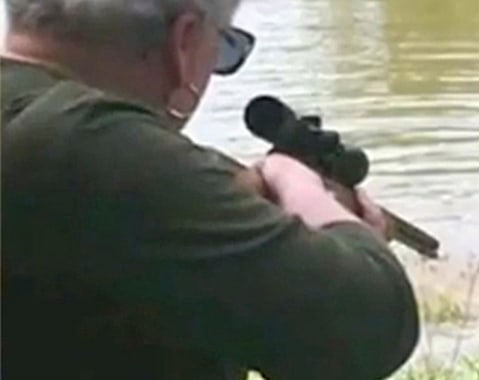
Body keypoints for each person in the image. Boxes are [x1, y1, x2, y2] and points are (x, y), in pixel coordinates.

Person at [1, 1, 420, 379]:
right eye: (223, 47)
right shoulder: (88, 144)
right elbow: (371, 325)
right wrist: (303, 189)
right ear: (184, 42)